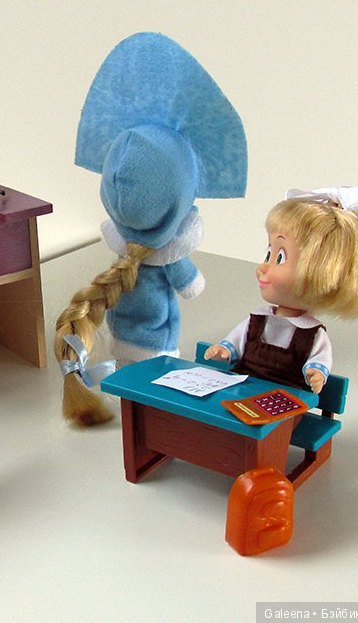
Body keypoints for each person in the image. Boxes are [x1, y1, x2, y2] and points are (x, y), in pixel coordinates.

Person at [55, 32, 248, 426]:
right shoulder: (169, 257)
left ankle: (125, 397)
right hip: (159, 342)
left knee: (128, 373)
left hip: (118, 334)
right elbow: (192, 287)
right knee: (155, 384)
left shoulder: (120, 252)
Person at [204, 187, 358, 393]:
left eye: (279, 258)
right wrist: (225, 350)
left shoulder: (311, 334)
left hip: (283, 395)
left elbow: (319, 360)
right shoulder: (257, 319)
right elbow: (238, 341)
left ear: (322, 274)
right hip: (243, 385)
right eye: (269, 254)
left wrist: (316, 373)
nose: (262, 267)